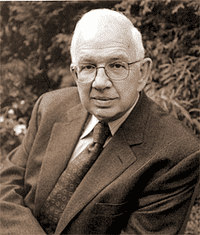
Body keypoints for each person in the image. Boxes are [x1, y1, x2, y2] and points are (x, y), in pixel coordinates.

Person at [0, 8, 199, 235]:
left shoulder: (175, 154)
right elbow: (5, 188)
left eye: (116, 65)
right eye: (88, 67)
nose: (100, 82)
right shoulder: (50, 107)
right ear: (75, 74)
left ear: (142, 73)